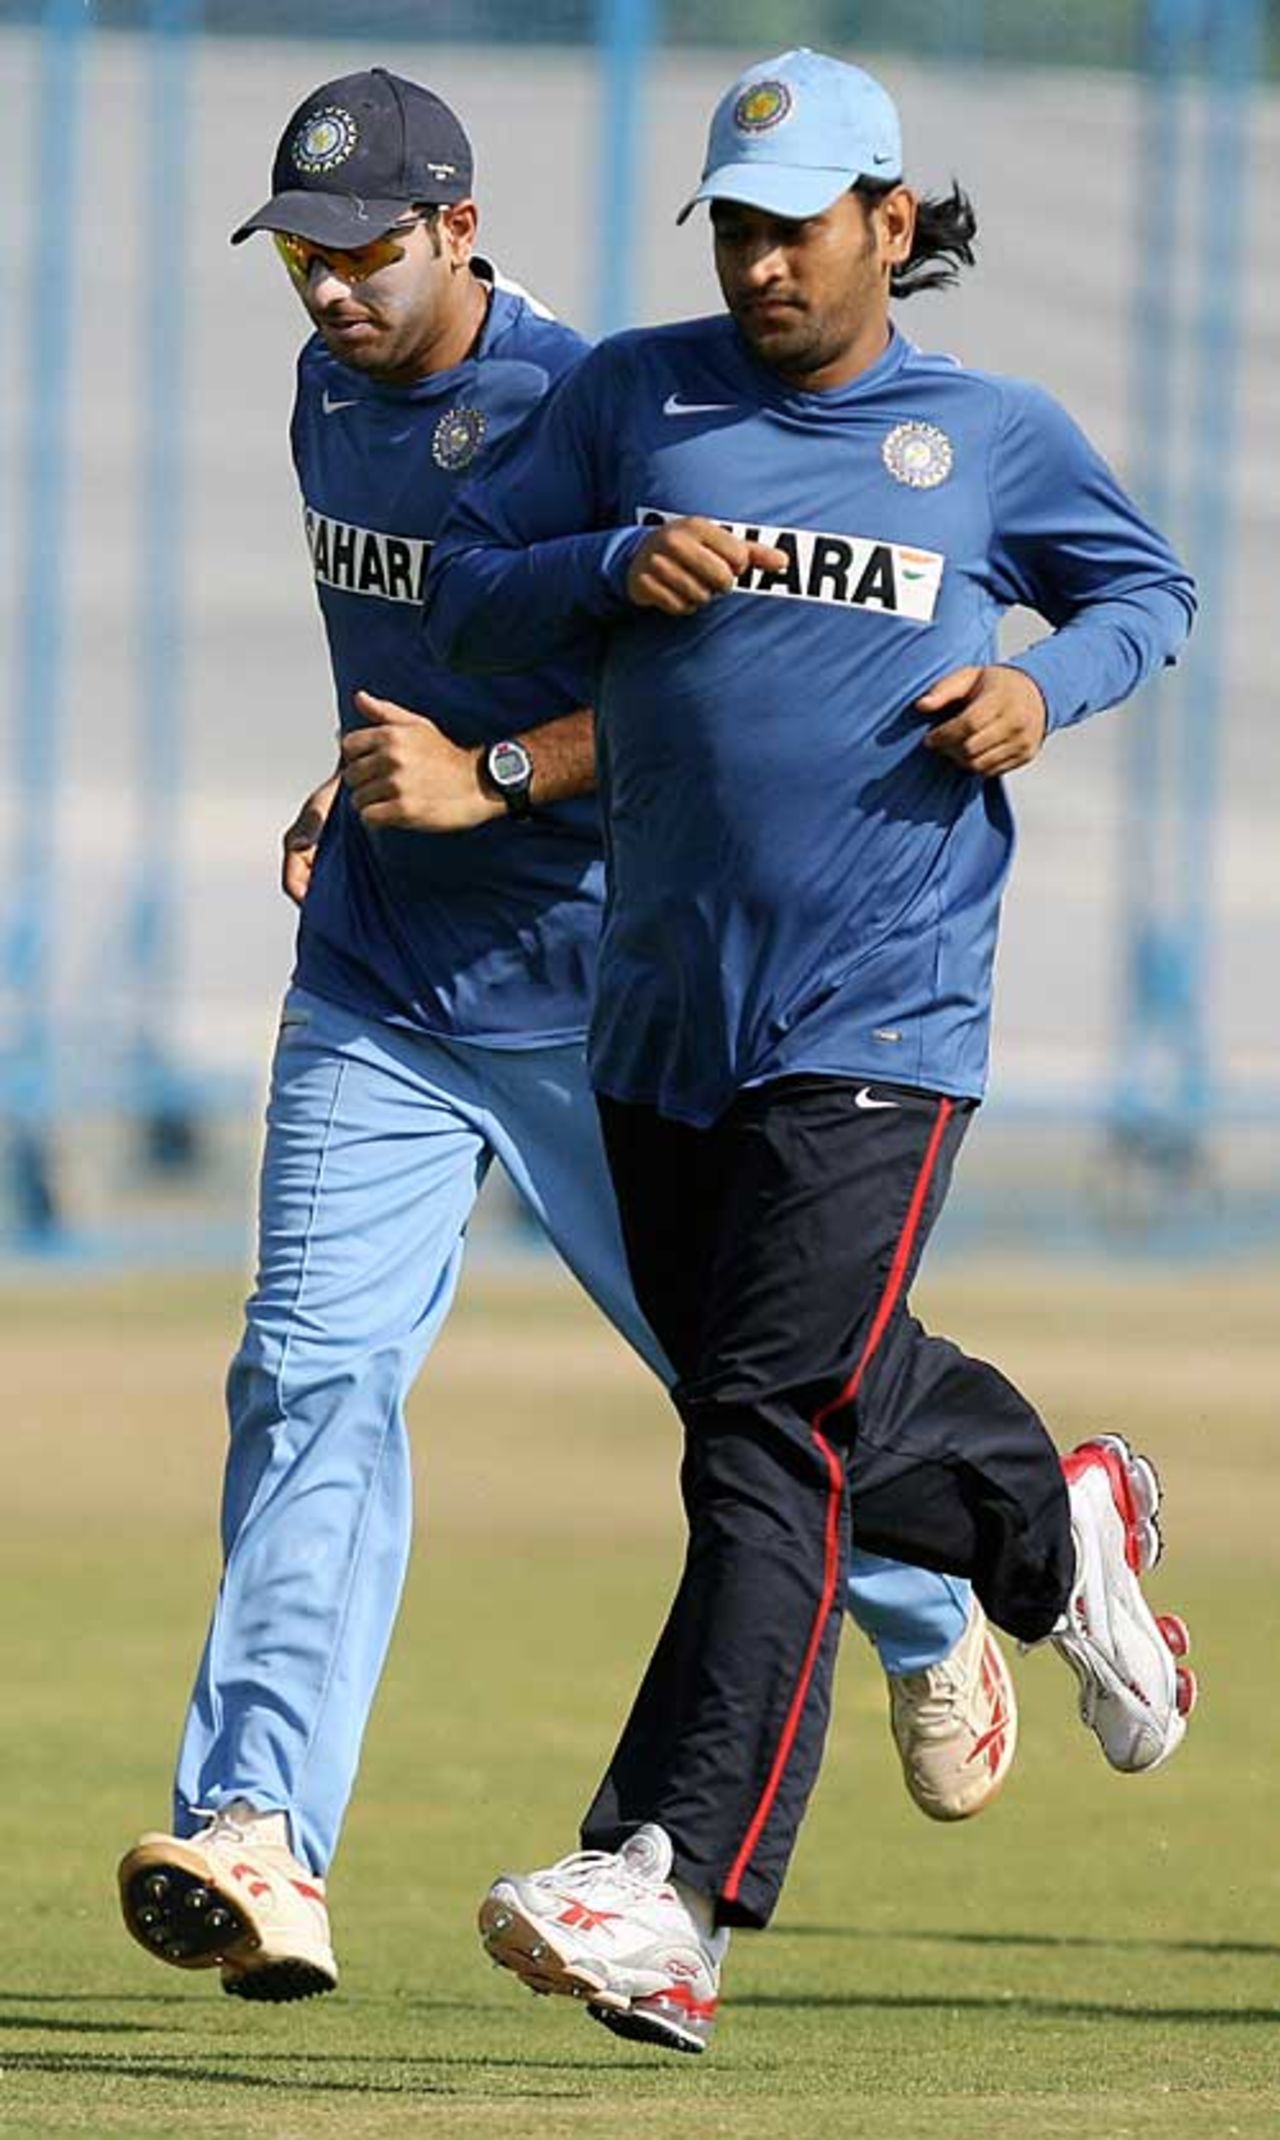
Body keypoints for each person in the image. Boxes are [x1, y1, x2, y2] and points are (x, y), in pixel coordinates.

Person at [115, 63, 1016, 2008]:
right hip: (377, 986)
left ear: (458, 225)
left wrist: (488, 777)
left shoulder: (585, 413)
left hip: (613, 1006)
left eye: (365, 250)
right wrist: (348, 777)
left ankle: (935, 1586)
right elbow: (418, 660)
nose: (329, 290)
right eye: (299, 256)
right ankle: (262, 1834)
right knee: (307, 1382)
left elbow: (722, 697)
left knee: (750, 1395)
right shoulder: (324, 390)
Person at [425, 46, 1200, 2057]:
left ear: (886, 226)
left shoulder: (988, 436)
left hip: (881, 1014)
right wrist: (605, 564)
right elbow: (473, 599)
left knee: (758, 1435)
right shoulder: (632, 399)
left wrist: (1042, 685)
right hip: (661, 1009)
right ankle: (1060, 1521)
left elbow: (1144, 590)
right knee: (813, 1395)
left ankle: (665, 1884)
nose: (764, 263)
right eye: (736, 229)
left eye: (799, 228)